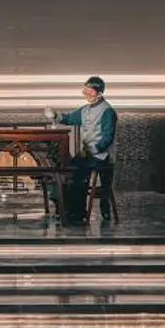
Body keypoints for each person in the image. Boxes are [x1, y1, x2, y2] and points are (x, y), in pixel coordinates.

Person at [47, 76, 116, 223]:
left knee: (76, 172)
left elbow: (107, 138)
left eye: (89, 91)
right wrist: (55, 115)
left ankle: (78, 213)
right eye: (85, 91)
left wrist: (91, 151)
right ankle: (66, 209)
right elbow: (69, 119)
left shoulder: (108, 111)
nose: (86, 94)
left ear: (99, 93)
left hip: (100, 156)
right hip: (88, 155)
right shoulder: (85, 110)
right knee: (65, 168)